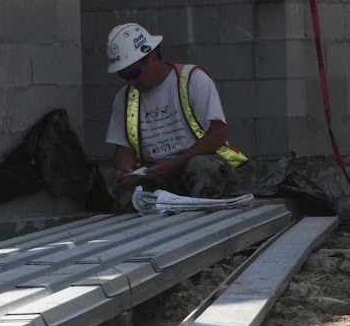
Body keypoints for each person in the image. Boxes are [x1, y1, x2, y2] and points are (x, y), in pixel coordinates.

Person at [104, 23, 246, 210]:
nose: (132, 81)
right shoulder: (125, 98)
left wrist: (176, 164)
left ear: (153, 58)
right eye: (124, 76)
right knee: (126, 197)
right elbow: (123, 148)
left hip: (195, 164)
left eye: (135, 72)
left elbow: (218, 135)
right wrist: (125, 170)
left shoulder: (193, 80)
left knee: (201, 168)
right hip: (158, 174)